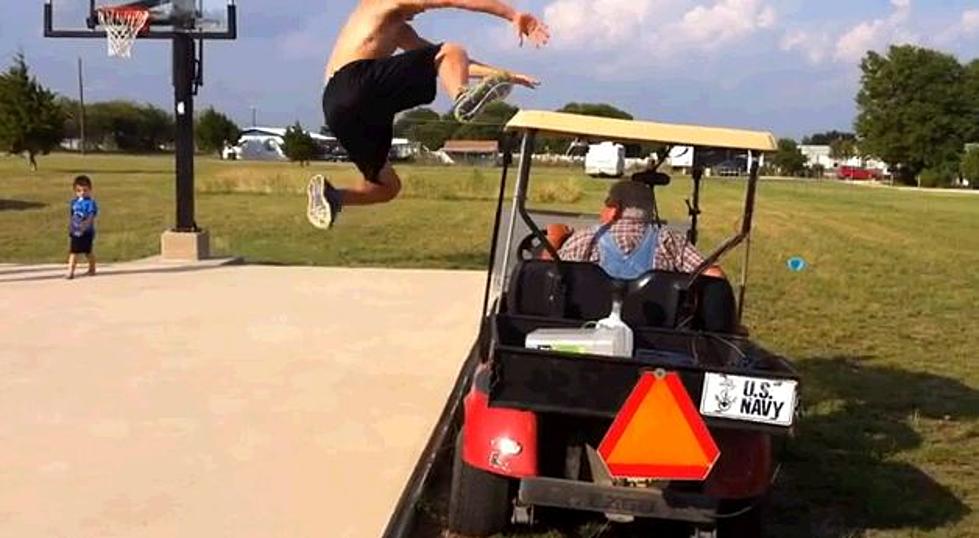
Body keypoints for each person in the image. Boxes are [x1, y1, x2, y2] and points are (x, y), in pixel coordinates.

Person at [306, 0, 550, 230]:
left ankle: (333, 196)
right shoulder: (379, 3)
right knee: (453, 49)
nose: (419, 13)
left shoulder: (398, 30)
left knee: (386, 187)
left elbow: (450, 62)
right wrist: (513, 15)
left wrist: (507, 74)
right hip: (353, 83)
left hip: (341, 111)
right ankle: (462, 97)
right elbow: (455, 3)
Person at [553, 180, 726, 280]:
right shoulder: (671, 241)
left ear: (615, 208)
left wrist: (554, 242)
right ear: (650, 210)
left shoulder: (586, 238)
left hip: (593, 327)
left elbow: (548, 274)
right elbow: (715, 276)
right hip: (655, 331)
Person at [67, 175, 99, 280]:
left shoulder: (90, 203)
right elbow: (72, 216)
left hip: (86, 232)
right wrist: (72, 228)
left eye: (85, 190)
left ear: (90, 190)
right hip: (75, 231)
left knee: (88, 252)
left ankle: (92, 268)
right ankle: (70, 272)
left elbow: (91, 216)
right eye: (79, 190)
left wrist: (84, 227)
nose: (82, 193)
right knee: (73, 252)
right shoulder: (74, 202)